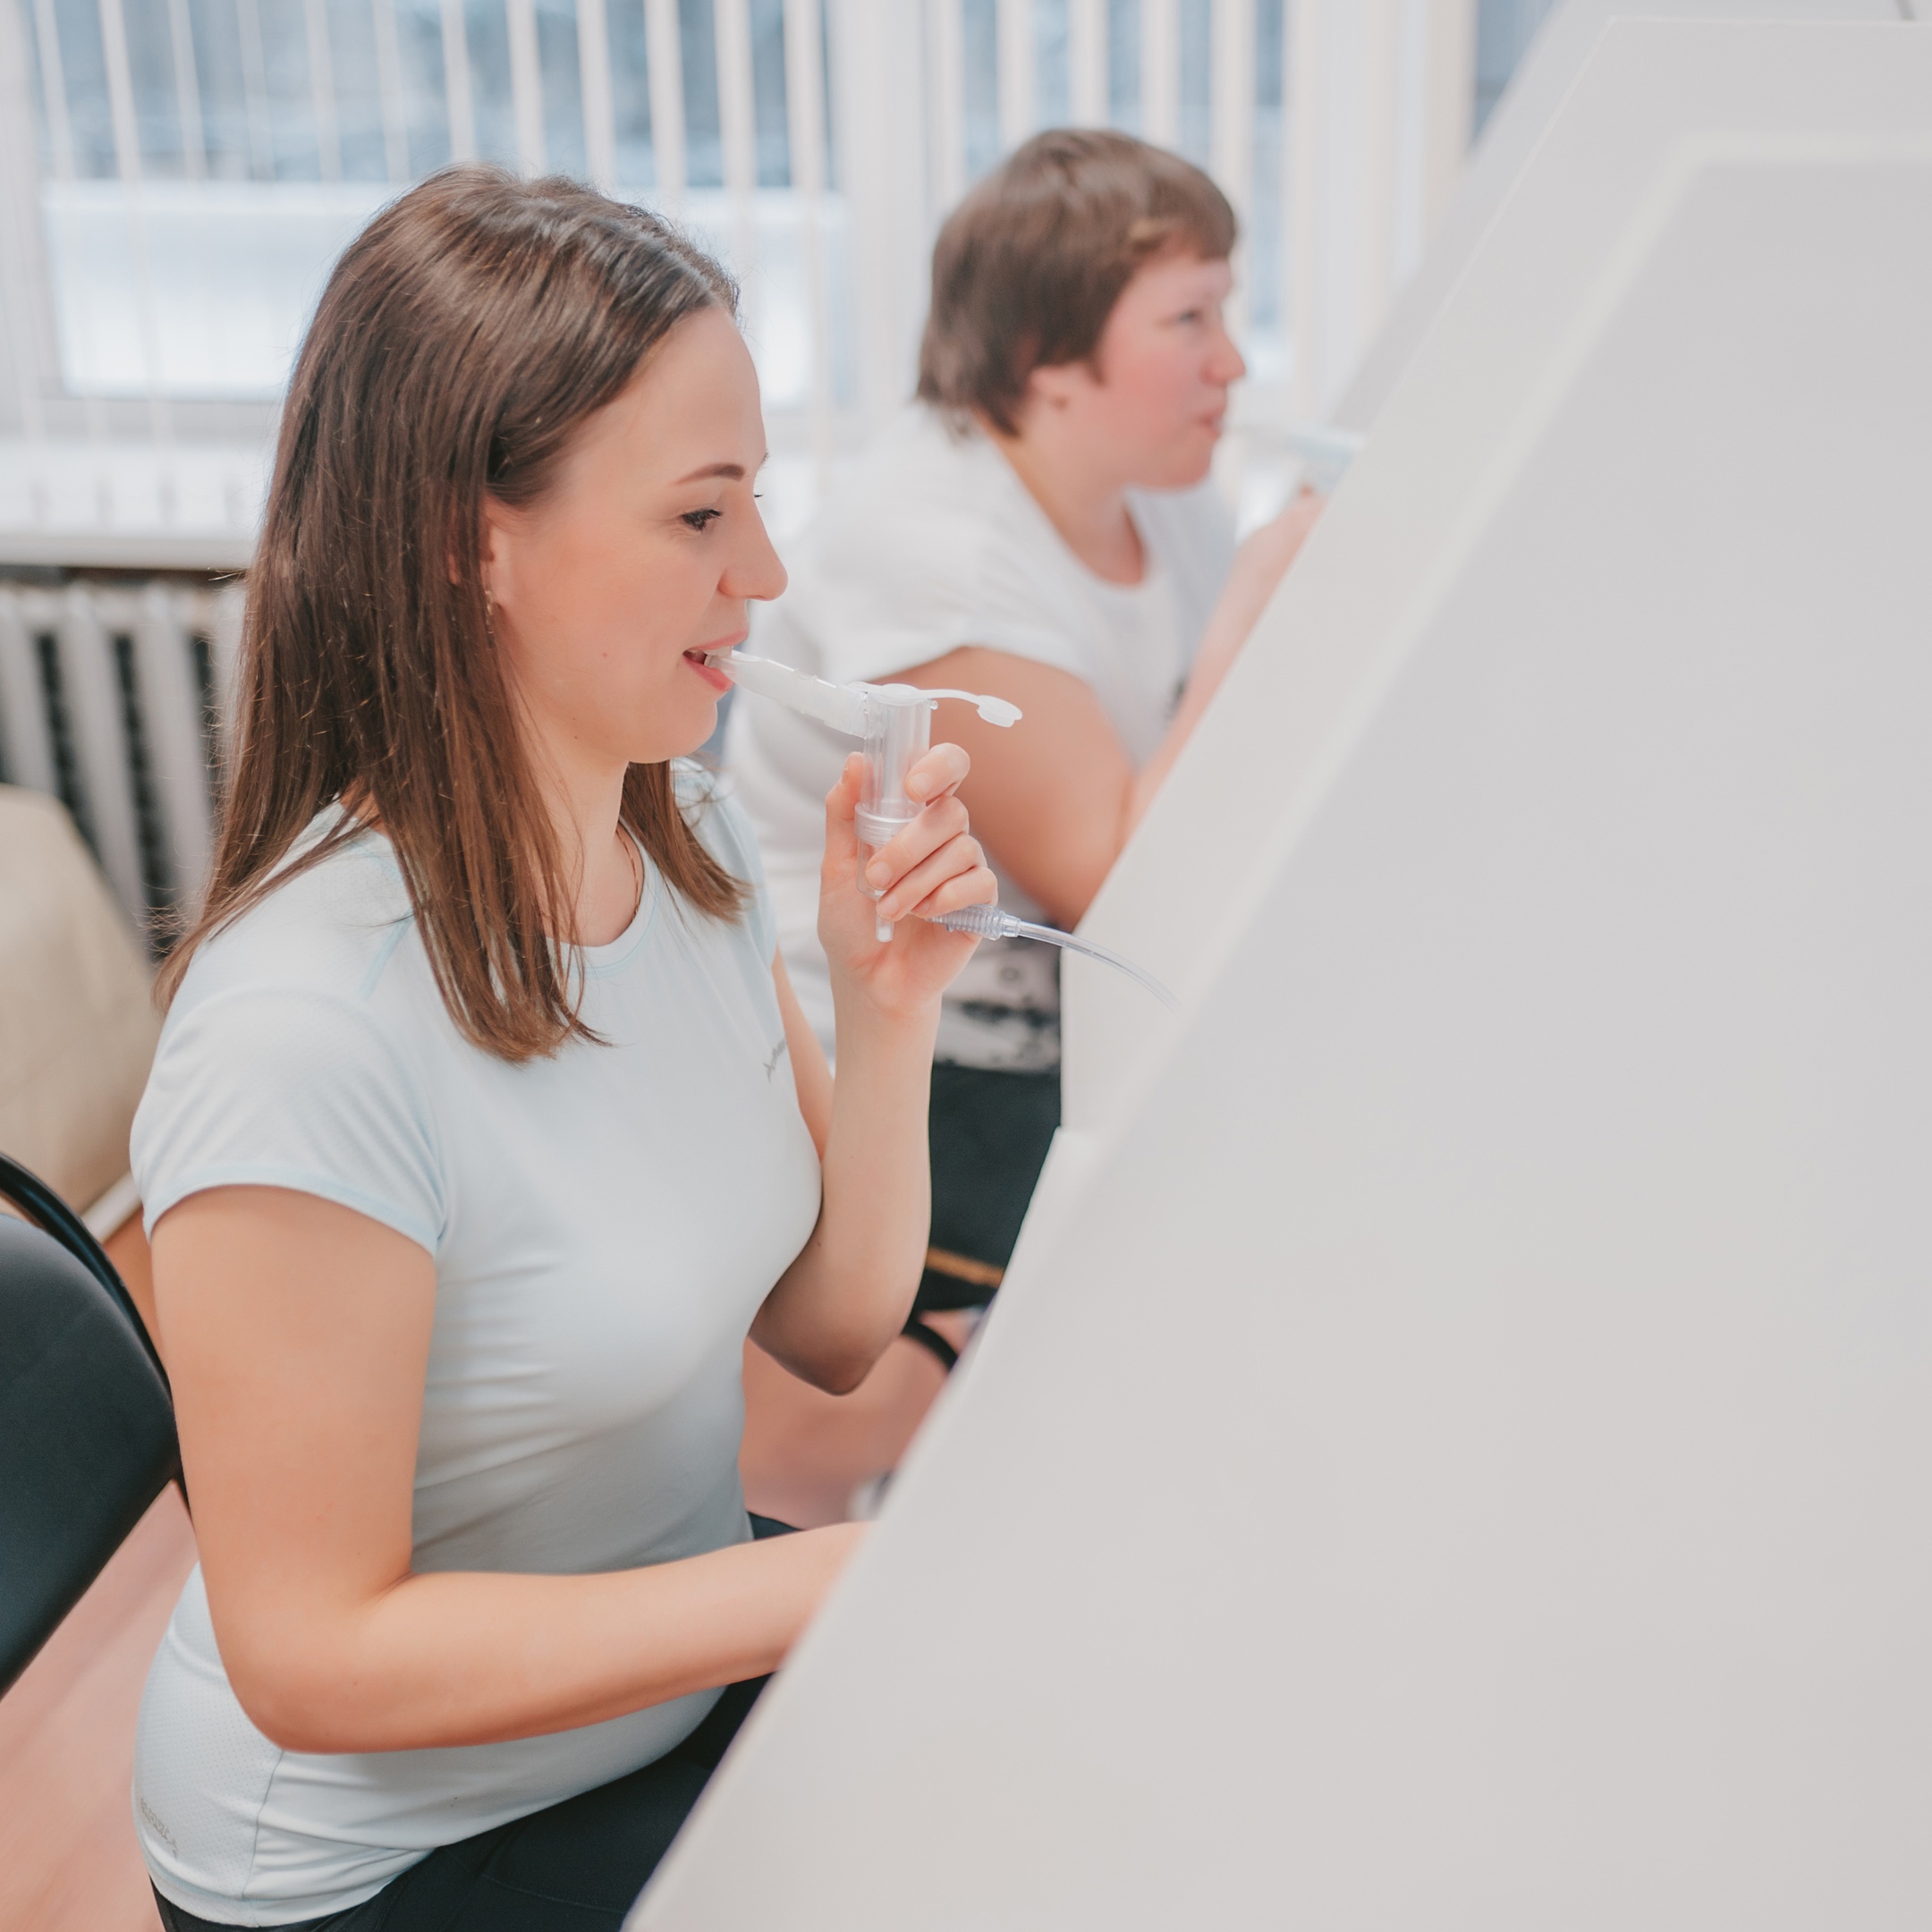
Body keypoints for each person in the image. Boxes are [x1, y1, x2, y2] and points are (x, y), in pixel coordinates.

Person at [129, 167, 996, 1931]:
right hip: (388, 1858)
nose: (763, 576)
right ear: (474, 541)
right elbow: (312, 1657)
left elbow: (834, 1333)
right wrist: (848, 1581)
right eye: (699, 514)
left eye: (756, 500)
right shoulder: (301, 1034)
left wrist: (889, 1008)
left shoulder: (681, 850)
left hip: (654, 1695)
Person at [726, 130, 1321, 1324]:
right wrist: (1258, 607)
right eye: (1189, 320)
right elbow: (1121, 886)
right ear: (1045, 356)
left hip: (1064, 1029)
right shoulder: (936, 555)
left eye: (1226, 312)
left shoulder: (1155, 491)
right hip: (908, 1065)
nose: (1233, 362)